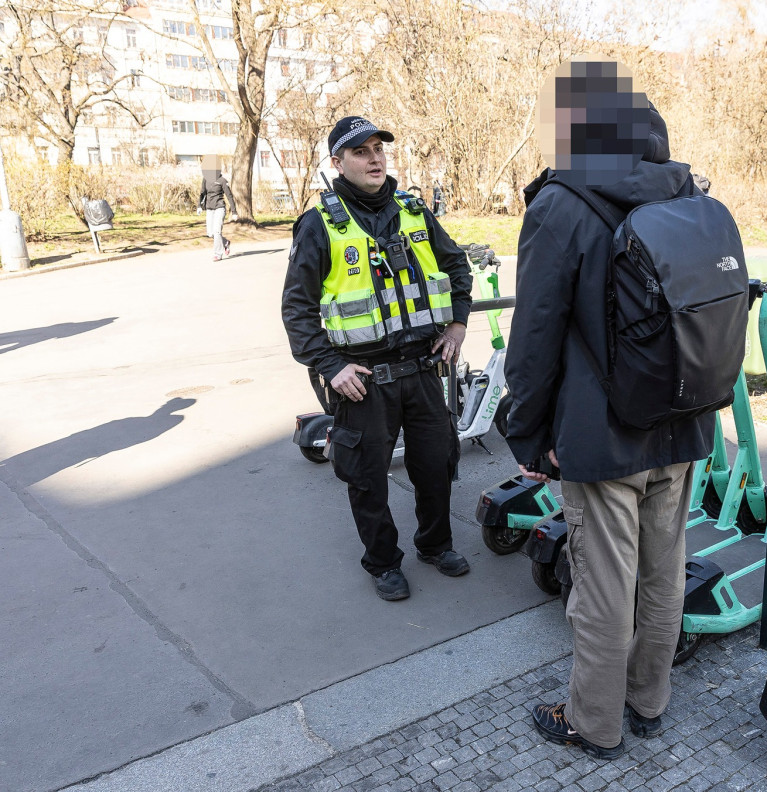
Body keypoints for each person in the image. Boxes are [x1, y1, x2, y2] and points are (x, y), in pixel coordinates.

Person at [504, 59, 713, 760]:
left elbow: (534, 337)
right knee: (664, 572)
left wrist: (528, 434)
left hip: (602, 435)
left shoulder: (560, 204)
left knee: (603, 586)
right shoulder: (688, 191)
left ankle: (593, 722)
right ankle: (648, 701)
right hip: (682, 420)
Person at [281, 116, 474, 601]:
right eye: (361, 152)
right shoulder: (320, 224)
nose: (374, 159)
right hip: (363, 380)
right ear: (338, 162)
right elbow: (297, 309)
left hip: (424, 368)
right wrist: (330, 366)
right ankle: (384, 562)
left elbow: (456, 266)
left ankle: (436, 545)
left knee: (436, 466)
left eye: (378, 149)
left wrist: (457, 324)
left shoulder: (414, 211)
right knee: (367, 480)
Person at [198, 156, 236, 261]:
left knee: (217, 231)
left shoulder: (222, 181)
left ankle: (218, 254)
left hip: (220, 208)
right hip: (209, 209)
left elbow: (229, 196)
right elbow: (202, 193)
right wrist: (199, 206)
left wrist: (234, 211)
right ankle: (226, 242)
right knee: (210, 233)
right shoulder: (205, 179)